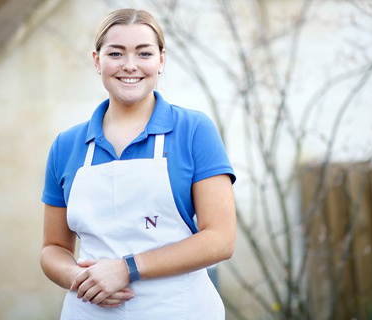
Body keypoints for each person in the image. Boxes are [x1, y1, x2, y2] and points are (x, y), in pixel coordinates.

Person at [40, 8, 236, 319]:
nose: (130, 65)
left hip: (179, 309)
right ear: (97, 60)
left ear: (161, 60)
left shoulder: (194, 130)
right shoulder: (67, 145)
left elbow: (220, 239)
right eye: (115, 53)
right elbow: (53, 247)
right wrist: (78, 278)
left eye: (143, 53)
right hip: (89, 312)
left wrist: (126, 268)